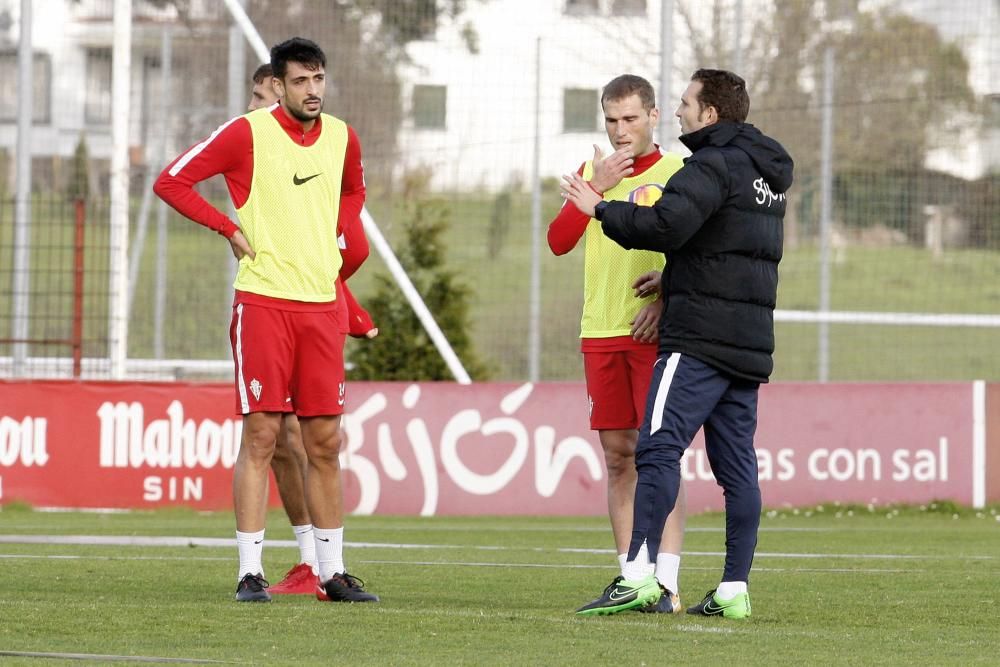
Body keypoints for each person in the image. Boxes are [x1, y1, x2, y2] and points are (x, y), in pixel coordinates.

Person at [561, 69, 793, 618]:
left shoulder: (710, 163)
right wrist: (672, 279)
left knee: (657, 448)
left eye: (688, 103)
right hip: (748, 341)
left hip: (698, 339)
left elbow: (665, 226)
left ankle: (640, 575)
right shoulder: (766, 173)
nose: (683, 110)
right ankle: (734, 589)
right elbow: (731, 243)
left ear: (710, 114)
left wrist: (599, 207)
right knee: (737, 467)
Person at [154, 37, 379, 604]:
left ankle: (332, 571)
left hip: (320, 308)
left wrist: (338, 227)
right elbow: (171, 181)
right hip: (264, 303)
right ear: (277, 86)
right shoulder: (246, 133)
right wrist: (228, 229)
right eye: (301, 81)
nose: (313, 90)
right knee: (262, 434)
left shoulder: (341, 136)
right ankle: (249, 572)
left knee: (324, 441)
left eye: (319, 79)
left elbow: (355, 190)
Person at [548, 74, 688, 616]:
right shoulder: (593, 174)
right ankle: (632, 577)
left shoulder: (681, 173)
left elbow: (699, 251)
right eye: (611, 120)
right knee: (617, 458)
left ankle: (667, 583)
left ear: (654, 117)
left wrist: (668, 298)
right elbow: (559, 242)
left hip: (656, 335)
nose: (620, 130)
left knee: (660, 455)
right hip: (601, 333)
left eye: (630, 119)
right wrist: (598, 186)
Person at [242, 62, 378, 596]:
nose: (255, 108)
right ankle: (301, 562)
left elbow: (350, 247)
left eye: (261, 96)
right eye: (252, 98)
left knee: (300, 438)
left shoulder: (325, 147)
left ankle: (317, 564)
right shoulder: (255, 147)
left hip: (312, 312)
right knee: (273, 439)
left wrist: (346, 305)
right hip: (265, 305)